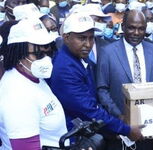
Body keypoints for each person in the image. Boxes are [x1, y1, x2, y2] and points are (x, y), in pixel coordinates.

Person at [48, 12, 144, 145]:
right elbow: (88, 110)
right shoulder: (65, 68)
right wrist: (124, 129)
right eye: (82, 38)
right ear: (66, 37)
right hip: (74, 138)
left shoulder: (80, 58)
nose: (88, 44)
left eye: (91, 38)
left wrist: (117, 122)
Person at [96, 10, 153, 150]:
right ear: (123, 26)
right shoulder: (107, 52)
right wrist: (120, 117)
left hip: (148, 129)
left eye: (141, 29)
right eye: (132, 27)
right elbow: (102, 89)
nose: (136, 33)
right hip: (118, 129)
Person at [0, 17, 67, 150]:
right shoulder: (17, 96)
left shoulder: (32, 76)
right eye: (38, 54)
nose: (46, 59)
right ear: (19, 54)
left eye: (48, 52)